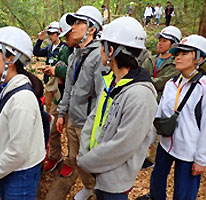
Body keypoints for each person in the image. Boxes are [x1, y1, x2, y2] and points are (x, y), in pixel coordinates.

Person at [77, 16, 158, 200]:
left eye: (102, 47)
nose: (100, 52)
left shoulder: (140, 95)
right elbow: (94, 117)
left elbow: (123, 144)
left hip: (115, 180)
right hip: (98, 170)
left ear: (111, 50)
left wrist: (88, 162)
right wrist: (85, 153)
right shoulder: (112, 81)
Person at [137, 34, 206, 200]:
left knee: (183, 193)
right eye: (177, 53)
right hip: (166, 144)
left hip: (189, 151)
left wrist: (202, 159)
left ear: (199, 59)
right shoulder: (172, 83)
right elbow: (159, 114)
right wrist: (147, 142)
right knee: (157, 181)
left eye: (184, 53)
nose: (178, 57)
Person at [0, 26, 46, 199]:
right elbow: (0, 131)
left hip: (20, 174)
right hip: (8, 168)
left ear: (11, 58)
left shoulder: (22, 98)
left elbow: (18, 151)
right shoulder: (5, 89)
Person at [56, 5, 104, 199]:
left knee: (89, 160)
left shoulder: (99, 56)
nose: (72, 28)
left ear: (92, 28)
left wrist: (94, 125)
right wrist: (61, 113)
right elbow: (68, 87)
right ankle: (89, 187)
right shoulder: (75, 54)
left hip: (88, 123)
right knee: (75, 158)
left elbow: (102, 94)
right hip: (73, 119)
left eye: (78, 23)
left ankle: (98, 189)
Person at [141, 26, 181, 169]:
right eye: (160, 40)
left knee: (157, 131)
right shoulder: (151, 59)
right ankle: (142, 154)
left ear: (173, 45)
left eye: (165, 41)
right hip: (146, 100)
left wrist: (146, 80)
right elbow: (141, 74)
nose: (160, 43)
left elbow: (161, 82)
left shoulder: (176, 64)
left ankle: (152, 159)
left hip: (162, 102)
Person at [43, 13, 75, 172]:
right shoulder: (65, 50)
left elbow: (71, 71)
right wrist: (54, 70)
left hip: (75, 101)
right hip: (59, 96)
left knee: (71, 132)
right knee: (53, 128)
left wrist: (58, 70)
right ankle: (55, 156)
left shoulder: (82, 52)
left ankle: (71, 161)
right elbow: (60, 67)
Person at [33, 21, 66, 112]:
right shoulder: (49, 48)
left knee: (57, 107)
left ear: (58, 34)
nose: (50, 36)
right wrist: (40, 40)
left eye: (52, 33)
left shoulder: (64, 47)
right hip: (48, 82)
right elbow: (36, 52)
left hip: (59, 83)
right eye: (49, 33)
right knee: (48, 106)